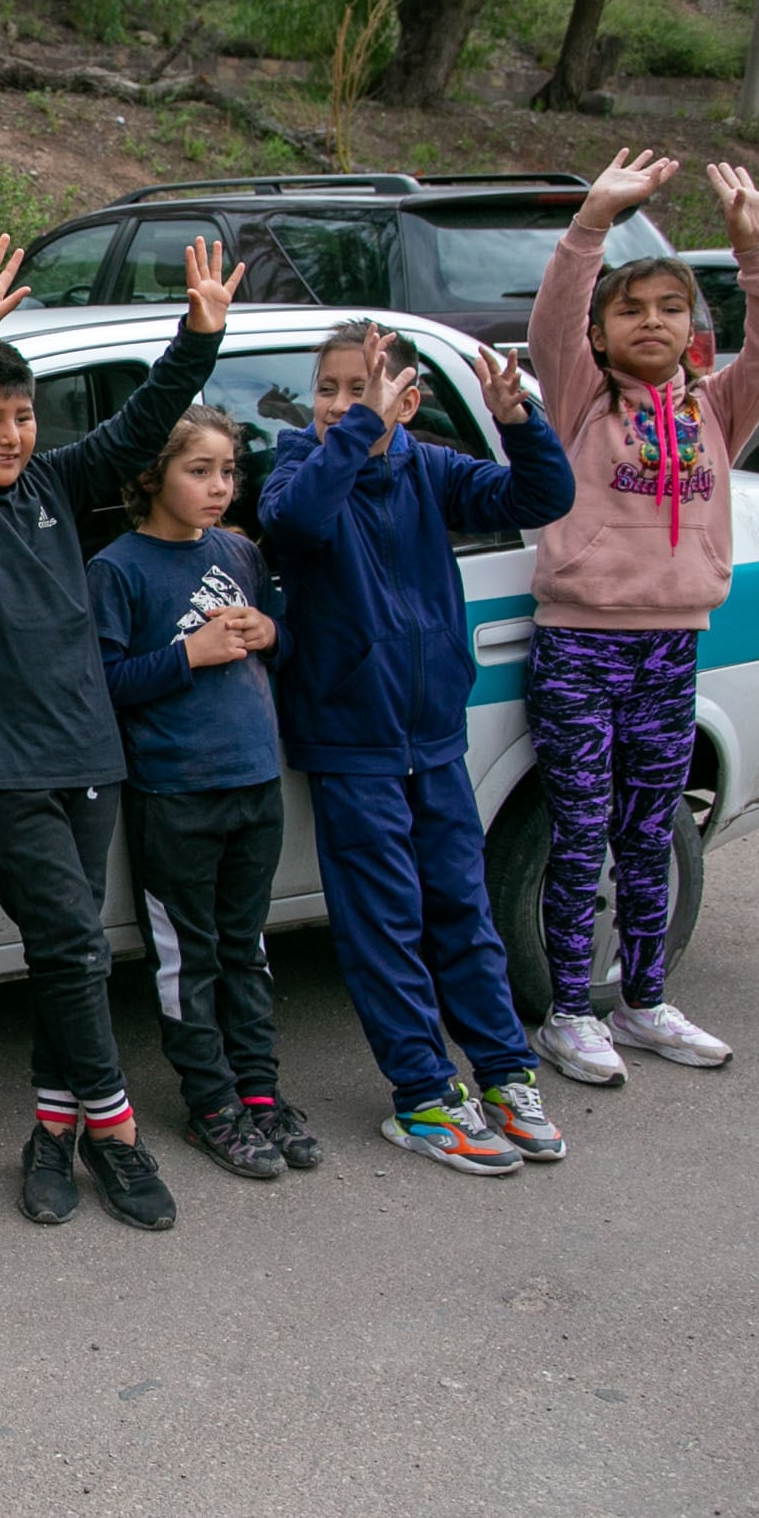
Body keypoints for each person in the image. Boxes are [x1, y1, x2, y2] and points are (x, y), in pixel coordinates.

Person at [0, 233, 242, 1233]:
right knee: (77, 943)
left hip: (88, 752)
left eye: (24, 415)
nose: (11, 434)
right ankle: (118, 1132)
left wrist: (198, 336)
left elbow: (139, 429)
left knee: (64, 952)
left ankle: (50, 1130)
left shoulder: (50, 488)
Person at [258, 324, 576, 1174]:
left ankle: (505, 1073)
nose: (337, 405)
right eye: (328, 388)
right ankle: (424, 1095)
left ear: (408, 398)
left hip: (434, 734)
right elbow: (295, 524)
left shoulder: (429, 469)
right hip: (350, 741)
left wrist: (519, 422)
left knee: (463, 912)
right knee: (386, 926)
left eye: (360, 388)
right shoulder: (298, 468)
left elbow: (541, 497)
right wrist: (362, 423)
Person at [523, 153, 759, 1084]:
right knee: (580, 828)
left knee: (650, 830)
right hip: (580, 647)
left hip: (672, 648)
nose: (652, 322)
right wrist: (592, 224)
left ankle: (642, 1000)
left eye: (670, 309)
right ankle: (569, 1010)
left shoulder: (716, 409)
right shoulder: (577, 401)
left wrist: (755, 246)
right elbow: (549, 322)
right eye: (630, 310)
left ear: (692, 330)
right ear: (601, 335)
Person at [91, 406, 320, 1180]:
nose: (220, 487)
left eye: (229, 472)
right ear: (152, 477)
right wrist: (188, 654)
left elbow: (281, 639)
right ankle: (211, 1103)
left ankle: (260, 1094)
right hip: (175, 793)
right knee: (189, 959)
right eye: (200, 471)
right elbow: (103, 684)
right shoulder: (118, 569)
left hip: (253, 783)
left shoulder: (239, 552)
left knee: (246, 949)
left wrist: (271, 633)